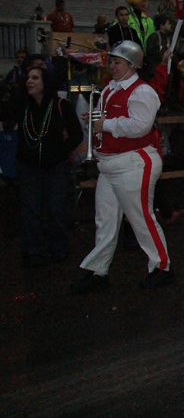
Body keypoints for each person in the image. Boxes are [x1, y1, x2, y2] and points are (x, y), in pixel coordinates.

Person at [71, 41, 174, 293]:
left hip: (134, 162)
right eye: (111, 61)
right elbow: (109, 120)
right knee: (105, 220)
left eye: (117, 62)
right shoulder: (109, 89)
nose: (111, 66)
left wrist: (104, 124)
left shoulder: (143, 92)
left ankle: (162, 267)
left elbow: (140, 125)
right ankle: (99, 270)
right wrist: (96, 121)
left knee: (141, 218)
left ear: (131, 64)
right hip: (111, 163)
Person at [0, 67, 83, 267]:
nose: (29, 81)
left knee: (55, 209)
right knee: (31, 210)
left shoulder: (61, 106)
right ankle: (32, 250)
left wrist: (59, 153)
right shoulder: (22, 106)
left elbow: (77, 135)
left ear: (45, 82)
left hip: (56, 167)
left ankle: (58, 248)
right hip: (28, 167)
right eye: (28, 78)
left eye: (35, 78)